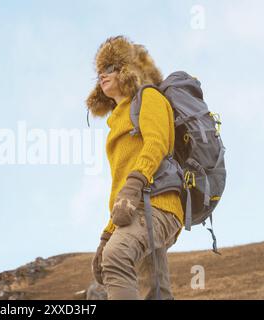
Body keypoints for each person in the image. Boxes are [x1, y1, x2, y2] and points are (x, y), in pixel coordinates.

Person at [86, 35, 184, 300]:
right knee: (155, 293)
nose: (102, 76)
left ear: (126, 70)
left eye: (109, 68)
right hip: (137, 209)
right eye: (99, 73)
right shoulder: (117, 122)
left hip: (159, 204)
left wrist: (133, 186)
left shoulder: (148, 97)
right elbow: (120, 188)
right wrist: (106, 236)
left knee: (117, 256)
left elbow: (156, 143)